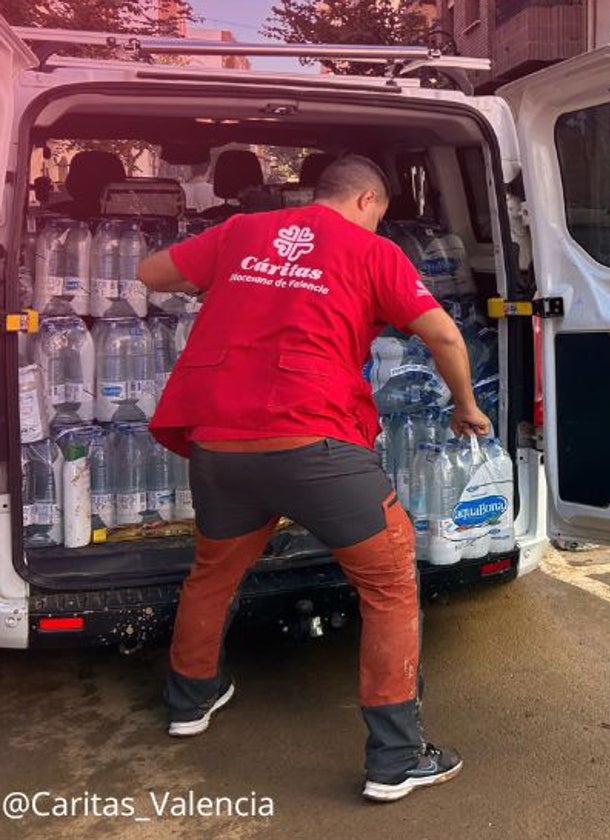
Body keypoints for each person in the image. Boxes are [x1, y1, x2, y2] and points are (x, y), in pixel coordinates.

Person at [137, 154, 491, 802]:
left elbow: (151, 272)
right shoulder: (371, 251)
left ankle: (190, 699)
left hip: (220, 446)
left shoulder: (243, 232)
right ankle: (396, 756)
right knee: (388, 579)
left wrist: (239, 285)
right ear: (367, 202)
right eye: (380, 213)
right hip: (315, 443)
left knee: (212, 573)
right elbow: (443, 335)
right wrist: (467, 406)